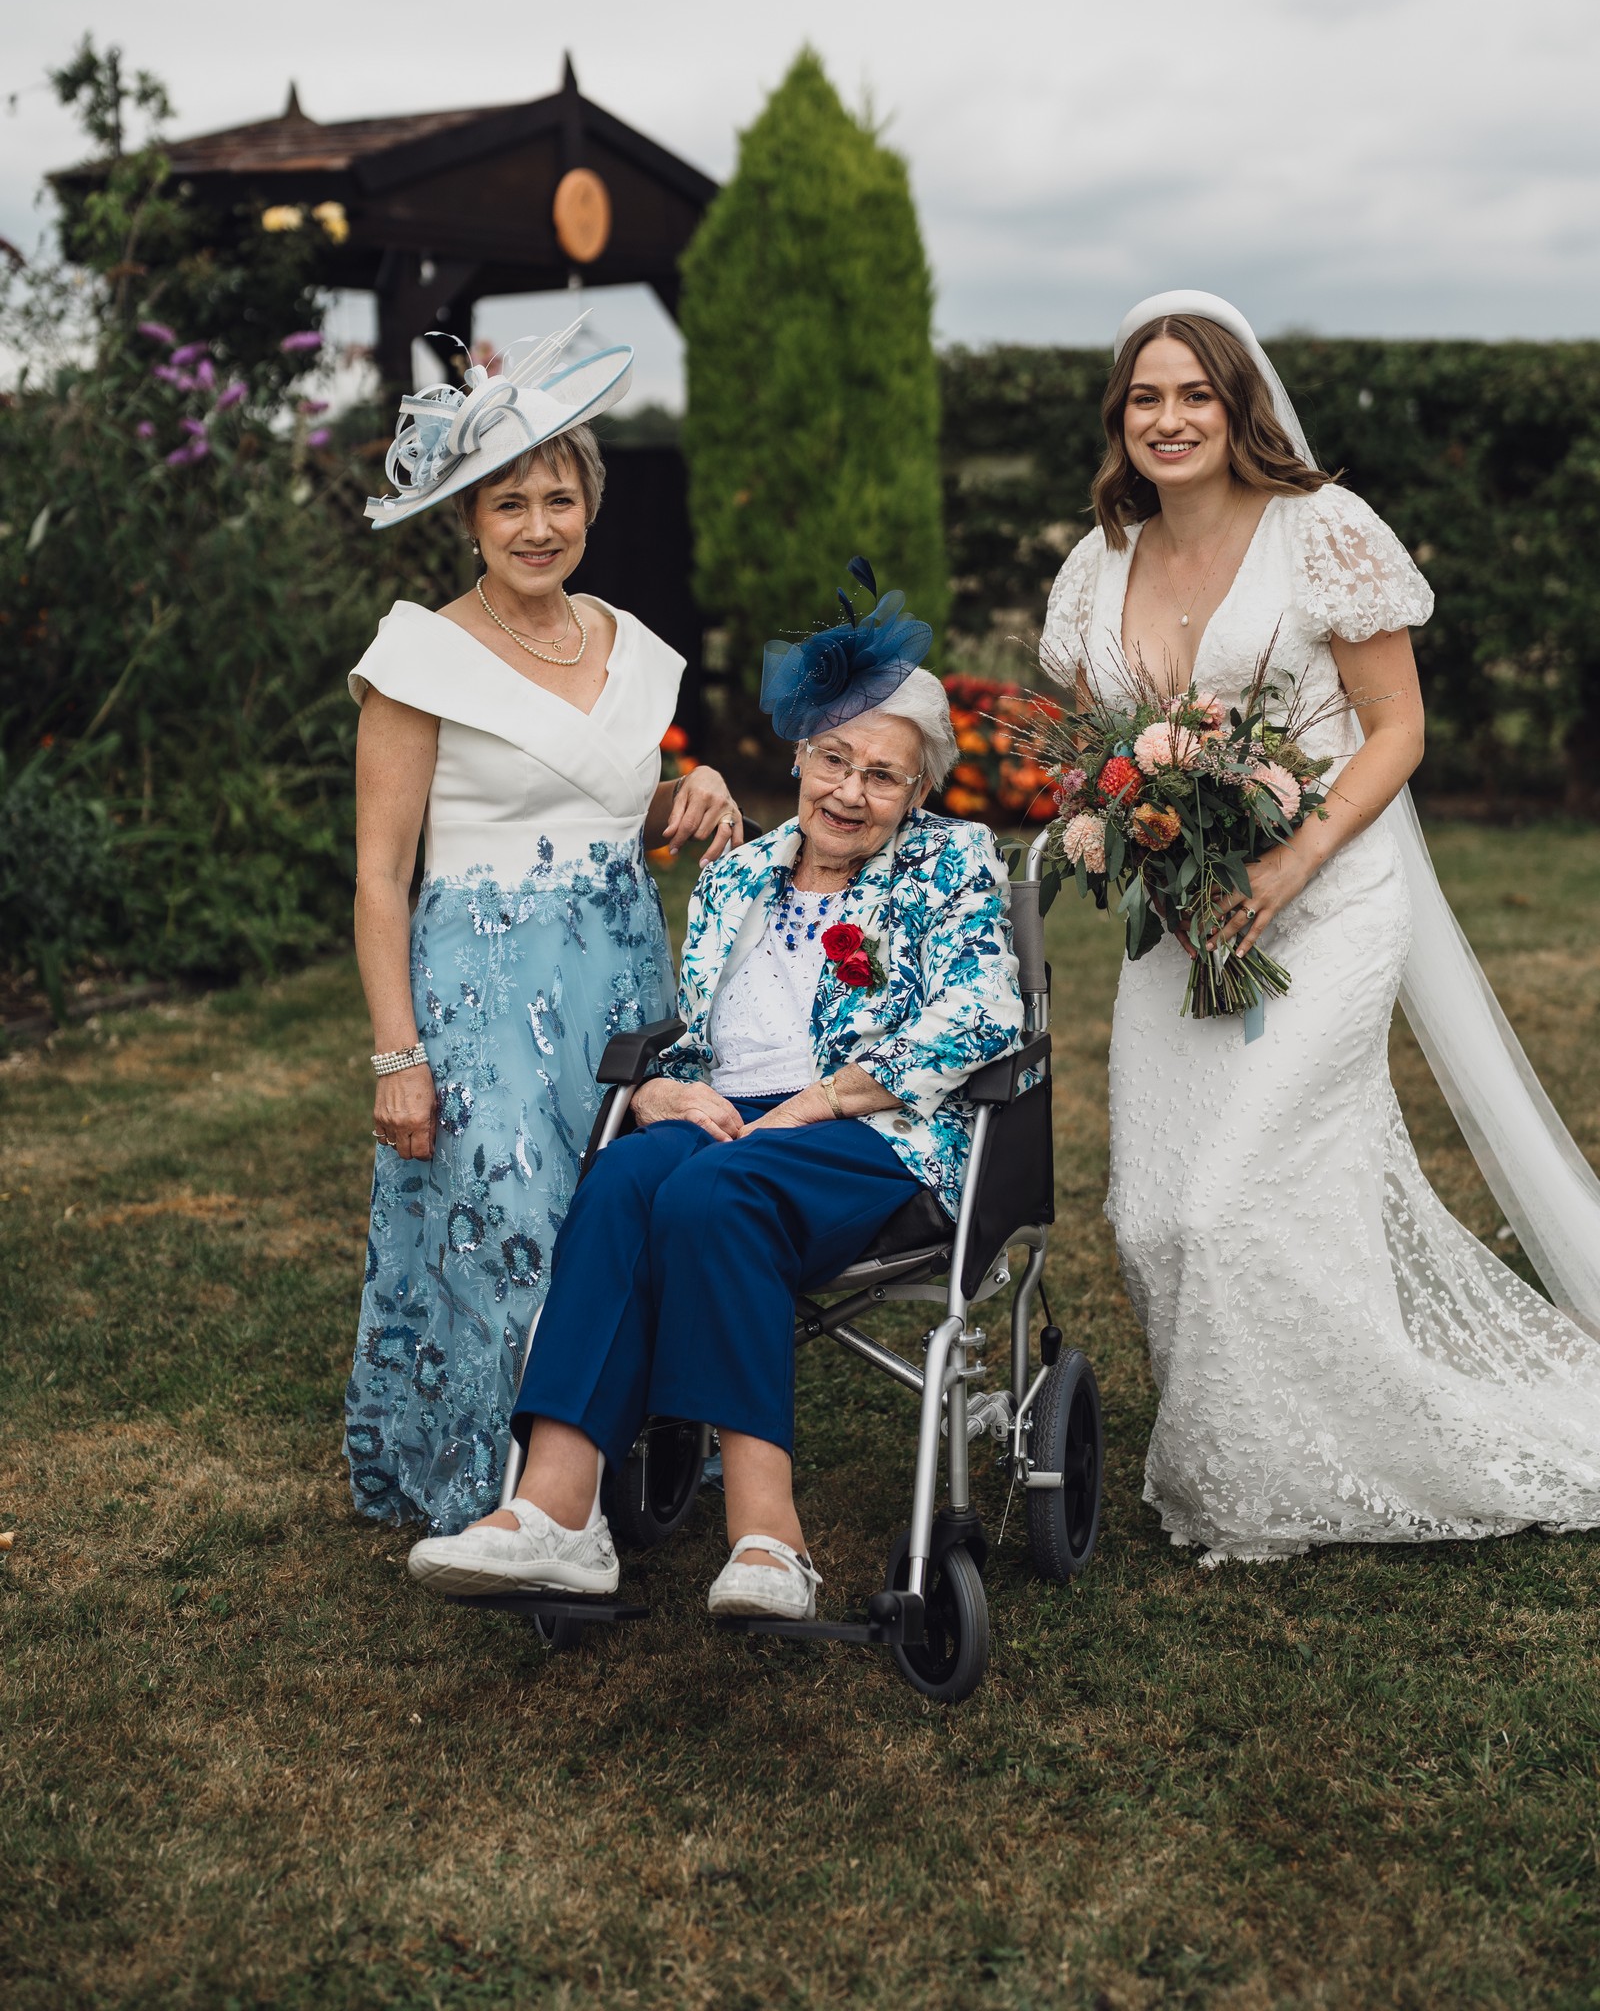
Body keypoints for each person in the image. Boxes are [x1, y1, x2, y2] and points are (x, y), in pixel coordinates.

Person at [1040, 288, 1600, 1564]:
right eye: (1145, 398)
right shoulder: (1097, 566)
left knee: (1231, 1199)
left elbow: (1395, 725)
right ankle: (1267, 1433)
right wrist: (1125, 827)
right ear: (1119, 420)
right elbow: (1093, 751)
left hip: (1329, 902)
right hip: (1182, 929)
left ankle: (1272, 1486)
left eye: (1195, 395)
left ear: (1239, 409)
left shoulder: (1323, 532)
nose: (1169, 420)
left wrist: (1289, 860)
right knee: (1148, 1211)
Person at [406, 570, 1024, 1615]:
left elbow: (981, 1017)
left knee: (708, 1196)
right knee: (625, 1173)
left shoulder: (949, 864)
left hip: (877, 1134)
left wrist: (821, 1100)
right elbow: (701, 1038)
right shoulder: (737, 875)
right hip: (735, 1121)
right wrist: (658, 1094)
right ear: (798, 754)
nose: (849, 792)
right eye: (835, 760)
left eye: (883, 777)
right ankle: (558, 1512)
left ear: (917, 795)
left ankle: (769, 1537)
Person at [344, 321, 742, 1532]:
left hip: (620, 967)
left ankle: (630, 1464)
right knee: (510, 1216)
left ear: (589, 508)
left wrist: (694, 792)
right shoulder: (421, 658)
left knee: (638, 1198)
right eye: (508, 502)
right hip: (479, 982)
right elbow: (377, 881)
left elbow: (619, 813)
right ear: (469, 517)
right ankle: (500, 1491)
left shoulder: (630, 647)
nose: (536, 526)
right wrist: (398, 1056)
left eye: (558, 499)